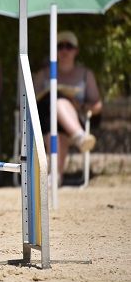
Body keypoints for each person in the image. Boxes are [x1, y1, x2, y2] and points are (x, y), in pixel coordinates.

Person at [34, 30, 102, 184]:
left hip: (76, 118)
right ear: (55, 50)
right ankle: (79, 139)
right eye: (60, 46)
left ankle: (56, 174)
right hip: (46, 120)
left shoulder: (86, 74)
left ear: (76, 50)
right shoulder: (43, 75)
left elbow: (98, 106)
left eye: (69, 46)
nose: (64, 50)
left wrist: (81, 105)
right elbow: (31, 102)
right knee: (53, 107)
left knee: (58, 104)